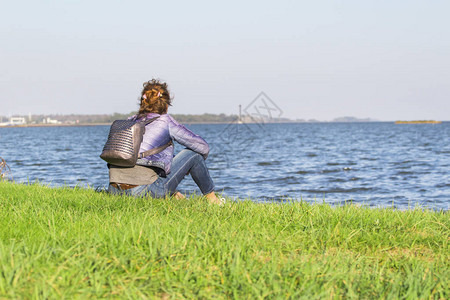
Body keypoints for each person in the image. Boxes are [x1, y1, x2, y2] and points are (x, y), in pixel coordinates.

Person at [108, 79, 223, 204]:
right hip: (142, 192)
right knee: (194, 155)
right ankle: (213, 200)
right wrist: (192, 165)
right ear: (166, 104)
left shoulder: (130, 121)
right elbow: (203, 147)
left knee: (151, 162)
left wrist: (181, 167)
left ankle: (173, 193)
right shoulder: (165, 121)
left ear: (142, 102)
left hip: (114, 190)